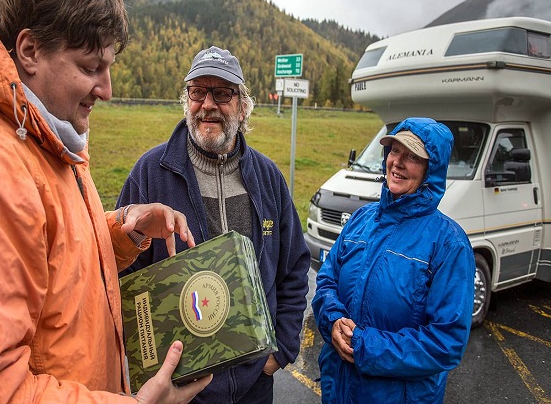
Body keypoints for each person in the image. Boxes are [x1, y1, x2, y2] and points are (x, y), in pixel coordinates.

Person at [0, 0, 212, 403]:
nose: (107, 90)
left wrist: (124, 228)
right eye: (91, 68)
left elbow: (47, 253)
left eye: (109, 68)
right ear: (30, 51)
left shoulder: (42, 137)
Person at [116, 46, 311, 404]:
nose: (208, 104)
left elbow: (295, 269)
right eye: (198, 92)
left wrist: (279, 351)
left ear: (241, 104)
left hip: (255, 385)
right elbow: (122, 276)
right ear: (186, 99)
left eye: (222, 93)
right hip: (181, 390)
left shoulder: (268, 178)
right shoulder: (150, 173)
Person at [312, 117, 476, 404]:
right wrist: (334, 320)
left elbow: (445, 343)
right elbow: (327, 280)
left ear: (431, 170)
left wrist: (364, 346)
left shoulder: (449, 244)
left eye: (413, 156)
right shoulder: (362, 219)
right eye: (395, 151)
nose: (398, 162)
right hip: (337, 389)